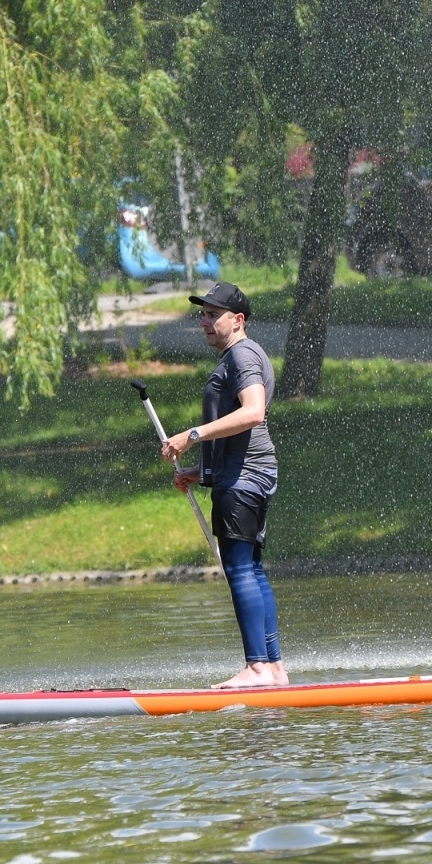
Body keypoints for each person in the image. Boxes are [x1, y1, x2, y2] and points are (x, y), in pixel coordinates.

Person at [160, 282, 286, 688]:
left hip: (244, 479)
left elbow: (252, 414)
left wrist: (190, 435)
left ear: (238, 320)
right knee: (251, 568)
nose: (205, 321)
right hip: (248, 473)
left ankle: (257, 668)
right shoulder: (242, 356)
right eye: (203, 314)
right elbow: (240, 430)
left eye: (214, 314)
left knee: (238, 568)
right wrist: (199, 472)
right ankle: (274, 668)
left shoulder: (243, 356)